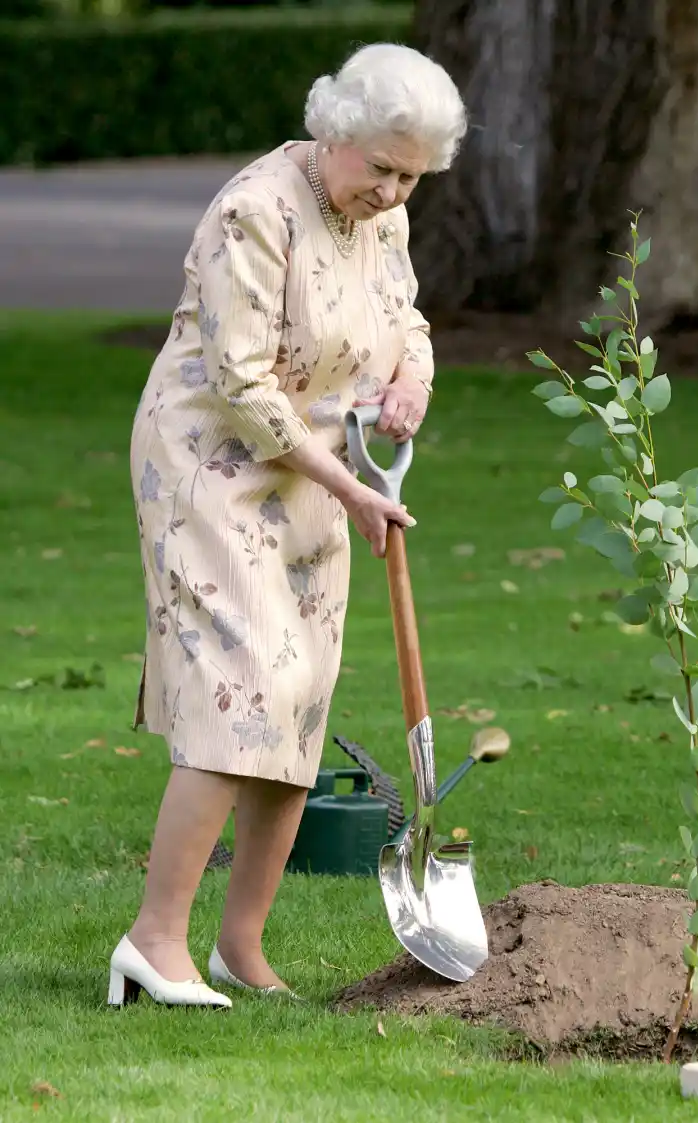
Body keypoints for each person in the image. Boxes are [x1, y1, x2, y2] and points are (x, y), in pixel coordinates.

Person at [108, 43, 467, 1009]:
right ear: (332, 131)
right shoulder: (253, 211)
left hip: (319, 463)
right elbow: (239, 382)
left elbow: (409, 322)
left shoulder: (382, 220)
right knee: (242, 689)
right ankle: (153, 940)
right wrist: (350, 488)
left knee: (300, 698)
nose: (394, 194)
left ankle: (242, 947)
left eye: (412, 177)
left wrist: (410, 385)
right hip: (212, 462)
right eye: (382, 168)